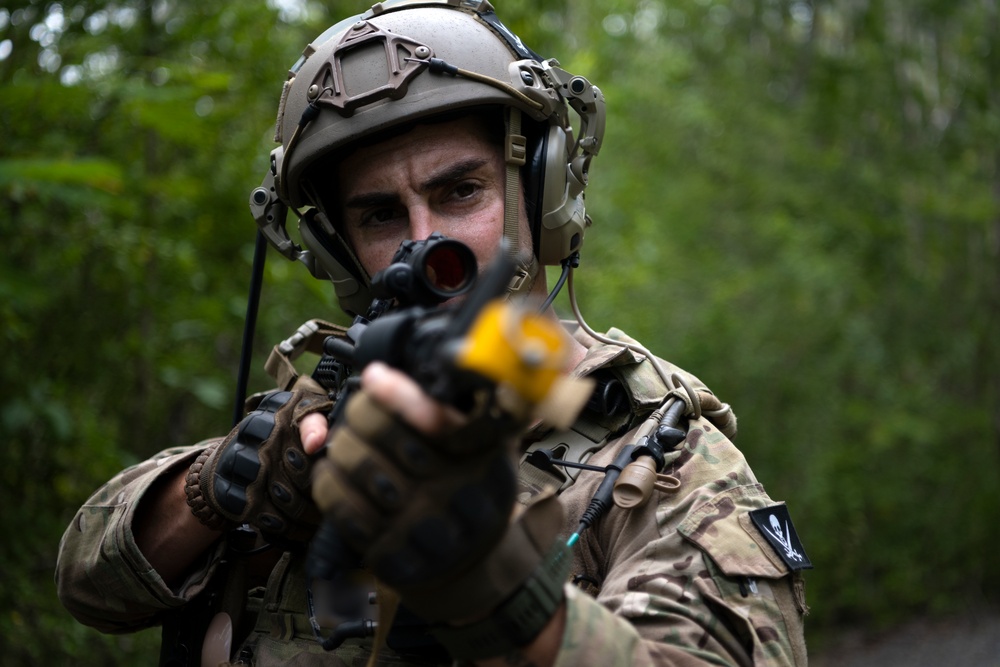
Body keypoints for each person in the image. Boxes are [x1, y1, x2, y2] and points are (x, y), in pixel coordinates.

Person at [56, 2, 811, 666]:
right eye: (381, 214)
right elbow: (89, 586)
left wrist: (489, 579)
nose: (425, 244)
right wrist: (218, 487)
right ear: (338, 249)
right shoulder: (315, 414)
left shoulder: (657, 453)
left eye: (460, 191)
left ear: (541, 188)